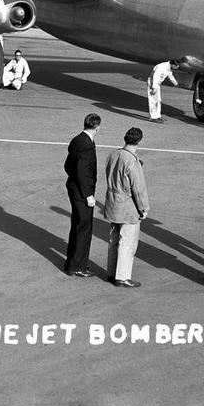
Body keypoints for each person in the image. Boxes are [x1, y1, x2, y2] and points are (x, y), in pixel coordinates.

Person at [103, 127, 149, 288]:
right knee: (127, 242)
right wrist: (143, 208)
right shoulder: (132, 160)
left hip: (112, 201)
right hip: (127, 205)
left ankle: (112, 272)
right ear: (139, 141)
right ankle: (122, 276)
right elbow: (138, 187)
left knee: (113, 239)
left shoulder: (113, 154)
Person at [63, 113, 101, 277]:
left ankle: (71, 263)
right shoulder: (87, 144)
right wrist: (88, 195)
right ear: (97, 127)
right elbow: (83, 171)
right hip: (82, 193)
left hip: (74, 188)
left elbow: (68, 165)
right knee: (83, 229)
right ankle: (78, 266)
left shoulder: (76, 140)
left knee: (77, 226)